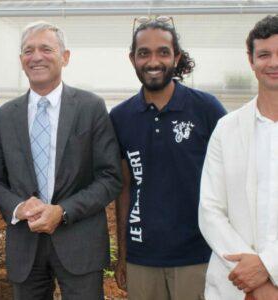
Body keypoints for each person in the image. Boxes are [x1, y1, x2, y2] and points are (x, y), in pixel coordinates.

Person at [0, 21, 122, 299]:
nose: (36, 57)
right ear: (21, 60)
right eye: (28, 51)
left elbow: (110, 177)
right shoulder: (4, 116)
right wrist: (19, 207)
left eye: (46, 49)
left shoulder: (90, 107)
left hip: (80, 241)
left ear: (65, 57)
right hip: (26, 243)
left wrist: (64, 210)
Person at [110, 17, 226, 300]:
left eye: (163, 52)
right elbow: (124, 188)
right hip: (142, 258)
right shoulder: (120, 118)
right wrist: (123, 255)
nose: (153, 61)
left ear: (177, 57)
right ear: (132, 59)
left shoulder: (206, 109)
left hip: (198, 256)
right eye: (144, 53)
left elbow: (229, 180)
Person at [199, 14, 278, 300]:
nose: (273, 63)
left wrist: (270, 266)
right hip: (235, 284)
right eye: (265, 54)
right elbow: (210, 210)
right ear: (251, 60)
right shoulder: (227, 128)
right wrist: (255, 279)